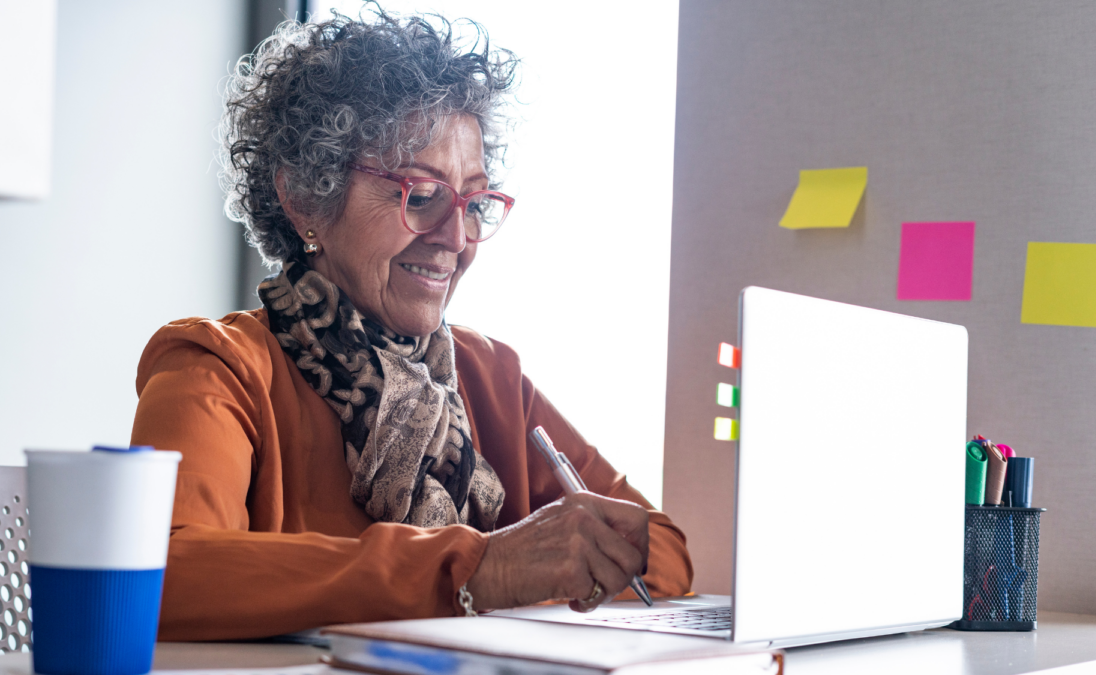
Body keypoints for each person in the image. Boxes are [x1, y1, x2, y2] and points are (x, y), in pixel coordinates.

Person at [130, 9, 693, 642]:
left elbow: (667, 551)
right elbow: (160, 576)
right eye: (420, 195)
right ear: (305, 199)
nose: (456, 237)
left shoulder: (493, 378)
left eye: (473, 203)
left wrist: (598, 549)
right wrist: (481, 569)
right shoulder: (216, 366)